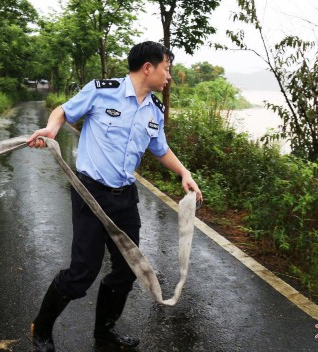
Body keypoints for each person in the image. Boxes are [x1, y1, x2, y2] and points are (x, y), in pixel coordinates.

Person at [26, 41, 203, 352]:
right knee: (83, 272)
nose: (169, 76)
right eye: (167, 69)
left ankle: (104, 330)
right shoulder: (101, 90)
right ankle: (41, 327)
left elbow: (160, 148)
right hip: (90, 193)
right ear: (148, 67)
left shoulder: (154, 109)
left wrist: (184, 173)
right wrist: (51, 129)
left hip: (125, 197)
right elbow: (63, 111)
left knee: (126, 269)